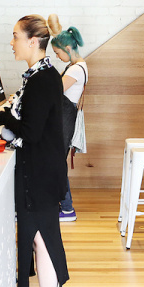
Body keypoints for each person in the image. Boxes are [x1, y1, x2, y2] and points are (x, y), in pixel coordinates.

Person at [0, 14, 69, 287]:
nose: (11, 42)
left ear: (33, 42)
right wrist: (6, 117)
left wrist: (2, 118)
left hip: (41, 172)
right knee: (43, 236)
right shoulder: (42, 75)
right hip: (43, 169)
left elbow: (31, 132)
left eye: (15, 36)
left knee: (41, 237)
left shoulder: (42, 79)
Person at [49, 15, 87, 222]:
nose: (57, 56)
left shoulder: (76, 69)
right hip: (64, 118)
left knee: (57, 163)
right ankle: (62, 206)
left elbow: (55, 92)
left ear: (68, 49)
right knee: (56, 162)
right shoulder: (76, 66)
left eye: (57, 53)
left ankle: (67, 209)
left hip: (65, 119)